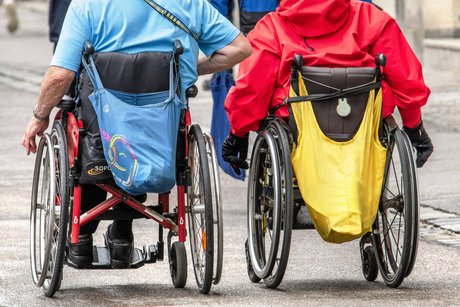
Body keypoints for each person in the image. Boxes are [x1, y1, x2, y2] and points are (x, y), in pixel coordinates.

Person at [22, 0, 251, 268]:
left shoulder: (88, 5)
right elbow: (240, 48)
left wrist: (39, 117)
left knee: (86, 124)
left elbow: (60, 75)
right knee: (141, 135)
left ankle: (82, 234)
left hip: (100, 137)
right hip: (161, 132)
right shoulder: (190, 3)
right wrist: (188, 68)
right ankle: (122, 234)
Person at [222, 0, 433, 172]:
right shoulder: (370, 19)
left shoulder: (271, 28)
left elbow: (252, 88)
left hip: (296, 123)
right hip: (363, 119)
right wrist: (414, 126)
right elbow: (406, 78)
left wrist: (238, 133)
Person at [202, 0, 279, 90]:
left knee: (252, 77)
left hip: (249, 18)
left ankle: (223, 76)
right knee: (274, 73)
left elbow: (220, 4)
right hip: (272, 17)